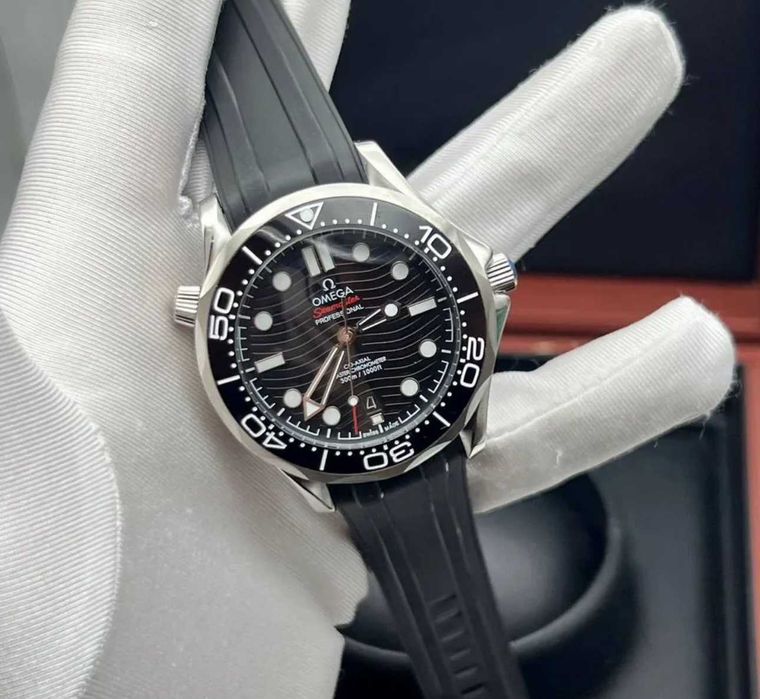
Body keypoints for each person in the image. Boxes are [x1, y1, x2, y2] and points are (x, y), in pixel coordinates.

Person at [0, 1, 734, 697]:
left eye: (351, 325)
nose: (345, 334)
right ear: (203, 311)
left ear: (486, 281)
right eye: (330, 331)